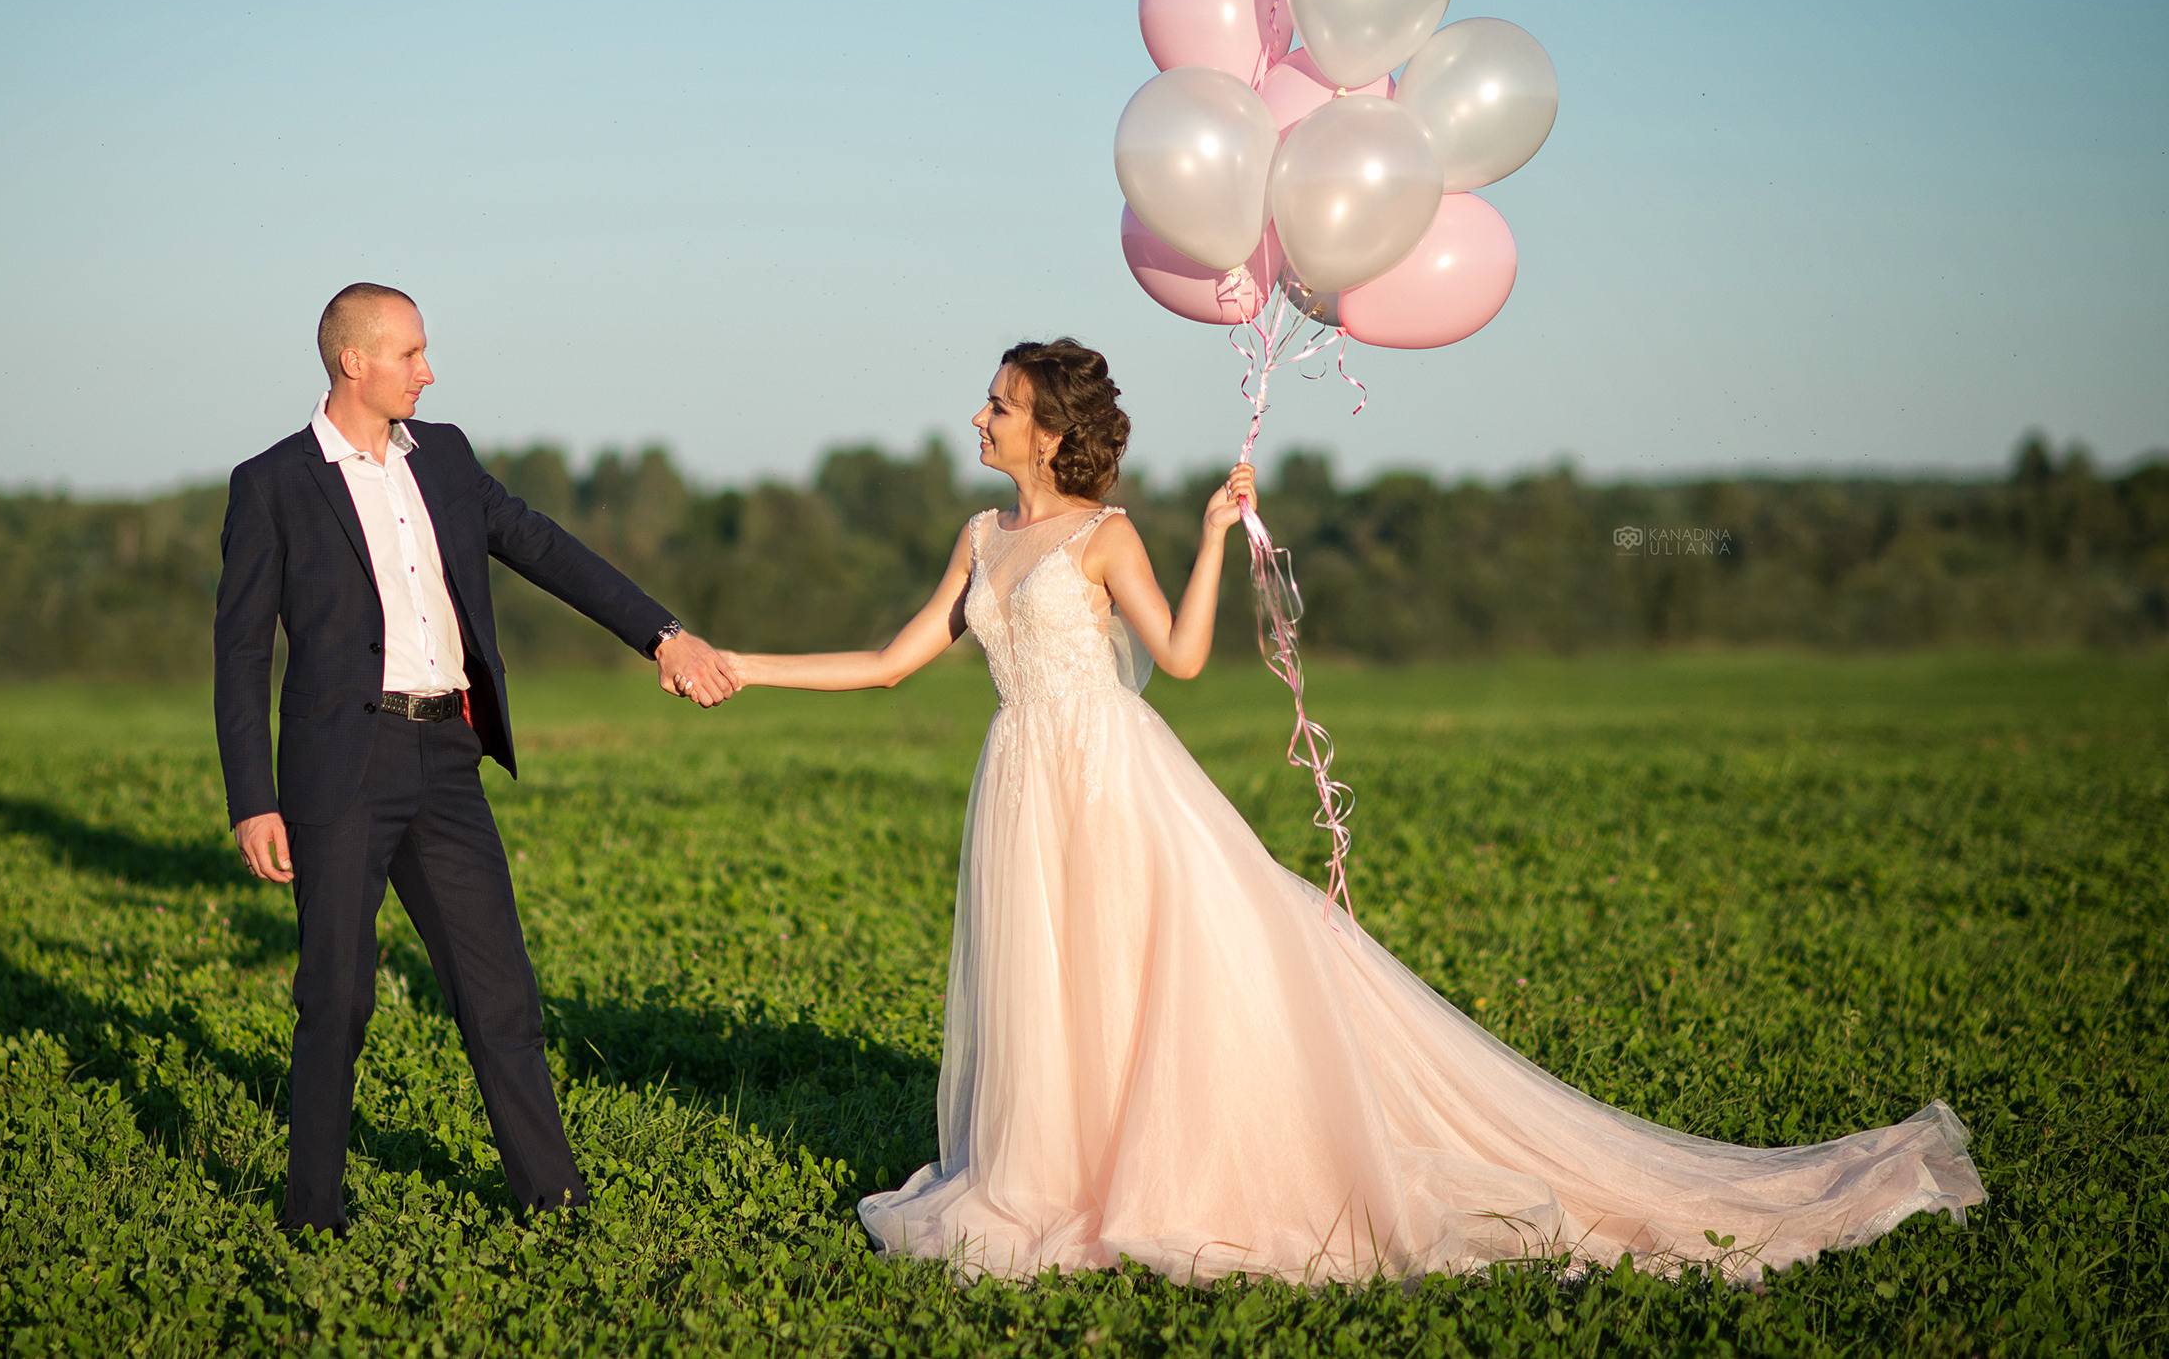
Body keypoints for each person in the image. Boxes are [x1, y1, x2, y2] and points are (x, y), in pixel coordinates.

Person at [715, 337, 1984, 1285]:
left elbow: (1189, 655)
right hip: (1021, 784)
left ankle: (1155, 1174)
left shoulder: (1102, 536)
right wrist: (738, 663)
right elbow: (888, 662)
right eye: (989, 400)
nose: (980, 415)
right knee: (1053, 991)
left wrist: (1215, 529)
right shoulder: (980, 537)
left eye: (999, 402)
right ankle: (1056, 1175)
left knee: (1146, 975)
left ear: (1050, 431)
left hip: (1111, 777)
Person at [214, 281, 738, 1237]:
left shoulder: (445, 458)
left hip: (448, 755)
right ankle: (311, 1216)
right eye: (409, 353)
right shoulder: (273, 483)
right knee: (337, 995)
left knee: (500, 991)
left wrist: (661, 634)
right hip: (342, 765)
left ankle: (556, 1202)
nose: (428, 369)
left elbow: (546, 549)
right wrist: (254, 798)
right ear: (353, 362)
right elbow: (242, 652)